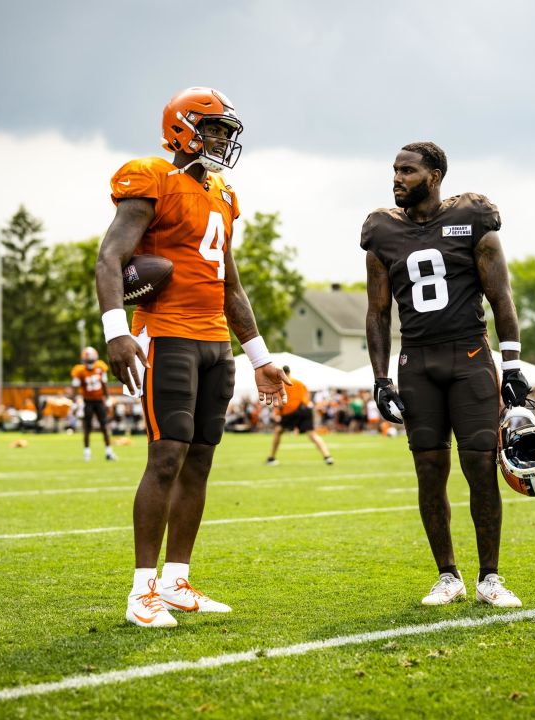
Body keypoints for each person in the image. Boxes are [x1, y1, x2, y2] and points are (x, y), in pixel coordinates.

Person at [95, 87, 286, 629]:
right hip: (167, 335)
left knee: (200, 458)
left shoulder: (224, 194)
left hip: (213, 343)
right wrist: (116, 332)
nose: (223, 140)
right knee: (166, 456)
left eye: (228, 131)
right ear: (182, 127)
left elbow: (232, 285)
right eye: (214, 128)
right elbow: (111, 256)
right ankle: (141, 591)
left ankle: (177, 580)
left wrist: (259, 356)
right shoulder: (151, 177)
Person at [362, 141, 529, 609]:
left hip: (470, 355)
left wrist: (512, 364)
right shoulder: (381, 231)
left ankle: (490, 577)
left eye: (408, 171)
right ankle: (447, 574)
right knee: (429, 471)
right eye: (394, 170)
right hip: (416, 362)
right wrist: (380, 379)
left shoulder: (474, 218)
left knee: (480, 467)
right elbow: (377, 314)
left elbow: (502, 300)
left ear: (434, 176)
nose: (397, 178)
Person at [265, 365, 333, 466]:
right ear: (290, 372)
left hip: (290, 411)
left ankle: (271, 458)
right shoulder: (298, 382)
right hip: (305, 409)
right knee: (312, 434)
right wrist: (306, 403)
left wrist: (278, 414)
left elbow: (279, 402)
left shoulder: (280, 384)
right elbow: (307, 394)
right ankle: (327, 456)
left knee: (278, 431)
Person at [70, 346, 117, 461]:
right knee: (87, 428)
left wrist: (107, 399)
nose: (90, 363)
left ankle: (109, 452)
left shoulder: (100, 367)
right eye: (88, 361)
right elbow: (75, 388)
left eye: (91, 361)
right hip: (87, 402)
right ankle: (87, 453)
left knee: (104, 427)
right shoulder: (79, 371)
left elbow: (104, 385)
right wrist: (76, 402)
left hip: (99, 401)